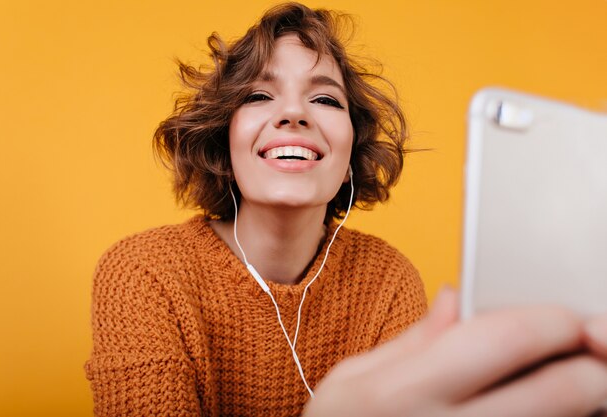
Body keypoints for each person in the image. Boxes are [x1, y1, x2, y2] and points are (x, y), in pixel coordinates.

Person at [85, 3, 607, 416]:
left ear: (352, 148)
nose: (293, 113)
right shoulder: (142, 273)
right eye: (259, 96)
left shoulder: (387, 279)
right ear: (224, 138)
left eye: (326, 100)